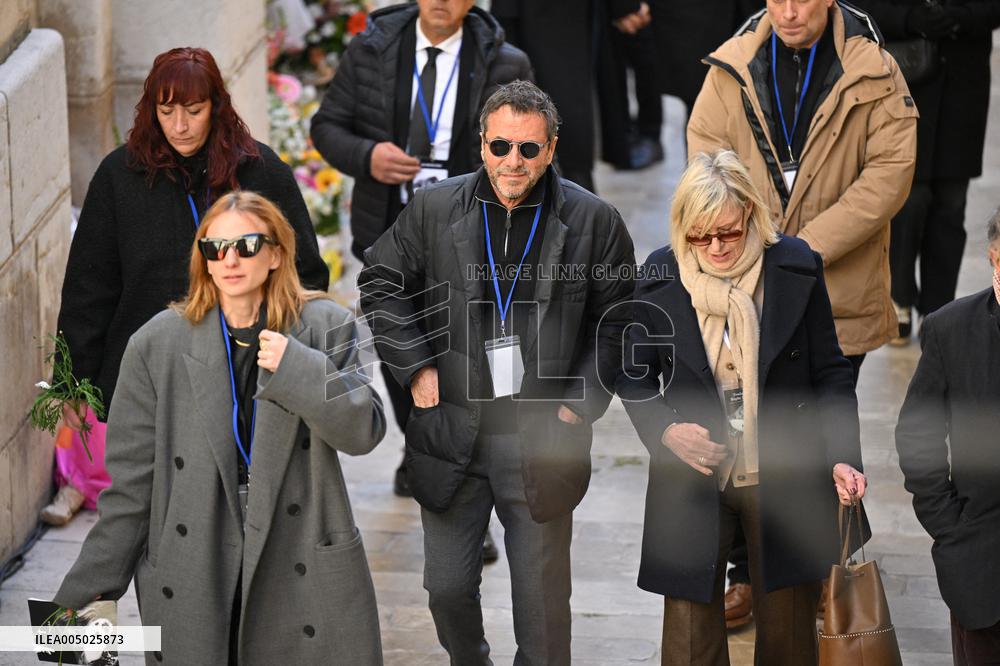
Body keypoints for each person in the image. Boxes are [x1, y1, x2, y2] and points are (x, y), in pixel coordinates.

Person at [359, 80, 635, 665]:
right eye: (501, 146)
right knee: (447, 589)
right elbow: (381, 283)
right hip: (452, 430)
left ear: (552, 149)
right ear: (481, 145)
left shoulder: (594, 221)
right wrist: (415, 370)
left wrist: (576, 404)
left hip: (540, 438)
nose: (514, 161)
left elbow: (619, 321)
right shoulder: (434, 208)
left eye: (529, 149)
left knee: (542, 612)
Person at [53, 191, 386, 665]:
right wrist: (73, 606)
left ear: (275, 254)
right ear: (203, 260)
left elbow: (364, 432)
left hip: (299, 554)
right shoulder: (157, 344)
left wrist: (298, 368)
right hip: (197, 556)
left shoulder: (325, 327)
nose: (229, 260)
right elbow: (130, 489)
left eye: (247, 246)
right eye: (215, 248)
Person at [687, 0, 917, 620]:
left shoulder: (874, 67)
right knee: (742, 426)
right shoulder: (730, 66)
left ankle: (821, 567)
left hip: (837, 286)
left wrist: (800, 250)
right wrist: (759, 243)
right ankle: (747, 572)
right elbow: (704, 154)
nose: (788, 11)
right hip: (746, 285)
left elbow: (890, 172)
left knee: (819, 427)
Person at [617, 151, 868, 665]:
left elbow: (831, 372)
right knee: (689, 639)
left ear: (751, 215)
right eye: (699, 236)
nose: (715, 248)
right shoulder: (661, 272)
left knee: (789, 632)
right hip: (692, 474)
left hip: (783, 470)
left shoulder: (795, 265)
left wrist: (843, 455)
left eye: (728, 233)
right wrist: (667, 431)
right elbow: (632, 374)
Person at [310, 0, 532, 519]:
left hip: (465, 239)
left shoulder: (505, 62)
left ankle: (461, 495)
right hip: (388, 231)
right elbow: (327, 126)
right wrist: (367, 156)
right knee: (398, 353)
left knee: (462, 359)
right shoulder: (371, 49)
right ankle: (423, 446)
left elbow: (530, 148)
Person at [57, 46, 328, 423]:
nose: (179, 126)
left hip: (246, 376)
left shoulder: (261, 172)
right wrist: (73, 380)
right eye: (166, 112)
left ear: (216, 108)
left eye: (194, 111)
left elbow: (306, 274)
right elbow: (90, 283)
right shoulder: (119, 176)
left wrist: (282, 353)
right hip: (148, 375)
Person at [852, 0, 1000, 343]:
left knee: (951, 204)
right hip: (906, 81)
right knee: (908, 199)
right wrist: (909, 17)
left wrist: (959, 16)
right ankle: (899, 298)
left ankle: (940, 312)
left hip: (963, 86)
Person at [895, 209, 1000, 665]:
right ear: (996, 257)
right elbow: (918, 436)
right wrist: (950, 529)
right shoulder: (950, 328)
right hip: (980, 568)